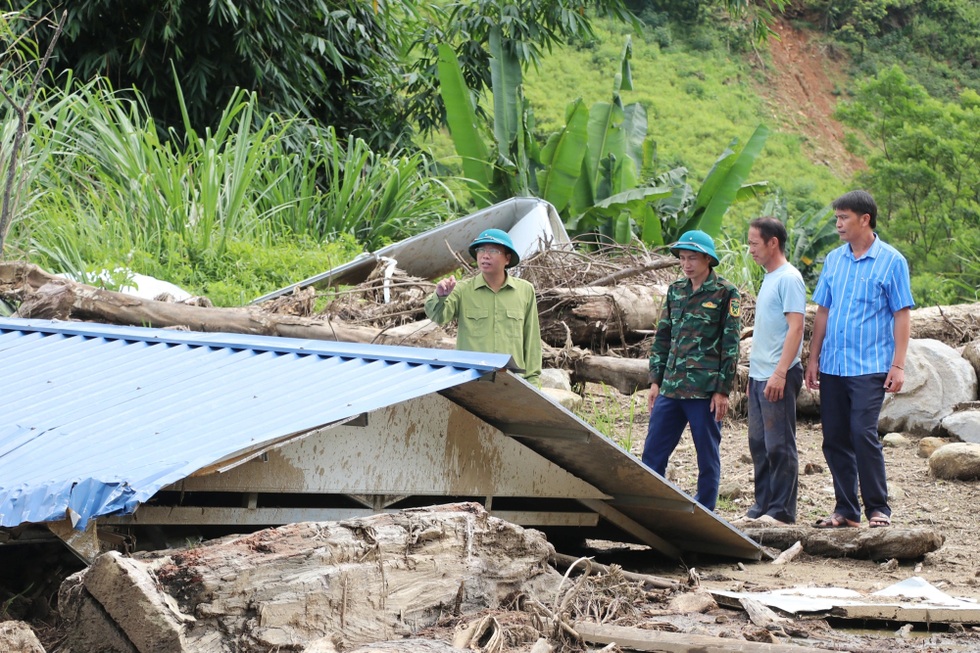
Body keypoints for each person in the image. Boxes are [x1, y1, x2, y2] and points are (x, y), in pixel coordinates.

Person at [805, 190, 914, 529]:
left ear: (865, 220)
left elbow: (902, 315)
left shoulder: (892, 261)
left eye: (844, 218)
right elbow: (823, 311)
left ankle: (878, 509)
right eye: (837, 218)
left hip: (870, 365)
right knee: (834, 436)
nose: (837, 224)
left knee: (862, 432)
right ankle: (846, 510)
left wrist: (898, 364)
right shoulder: (834, 260)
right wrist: (813, 357)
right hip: (834, 365)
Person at [641, 230, 741, 511]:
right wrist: (655, 381)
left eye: (692, 258)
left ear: (708, 259)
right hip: (671, 388)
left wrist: (722, 390)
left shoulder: (726, 293)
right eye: (683, 258)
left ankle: (706, 511)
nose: (686, 264)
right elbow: (662, 337)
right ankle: (651, 508)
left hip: (704, 390)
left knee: (707, 456)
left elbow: (730, 346)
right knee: (652, 453)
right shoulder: (676, 290)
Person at [743, 217, 806, 525]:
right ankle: (762, 505)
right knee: (758, 443)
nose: (750, 249)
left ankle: (781, 511)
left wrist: (780, 373)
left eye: (754, 243)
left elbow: (796, 328)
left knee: (779, 444)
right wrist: (754, 376)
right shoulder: (768, 277)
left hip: (779, 374)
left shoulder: (789, 278)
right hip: (760, 375)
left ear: (773, 243)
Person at [424, 228, 542, 385]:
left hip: (512, 381)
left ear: (507, 258)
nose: (485, 255)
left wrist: (533, 381)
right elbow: (439, 316)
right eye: (481, 250)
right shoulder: (462, 289)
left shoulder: (525, 290)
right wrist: (440, 295)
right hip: (472, 380)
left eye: (493, 250)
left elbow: (532, 338)